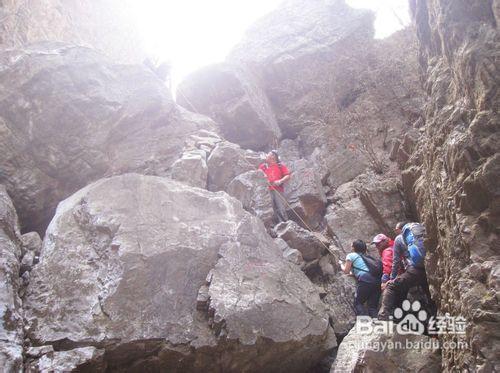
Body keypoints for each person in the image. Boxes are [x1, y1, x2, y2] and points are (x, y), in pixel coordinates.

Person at [378, 223, 434, 320]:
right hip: (429, 268)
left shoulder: (399, 239)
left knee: (391, 287)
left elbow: (396, 261)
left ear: (400, 229)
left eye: (396, 229)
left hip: (414, 270)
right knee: (431, 298)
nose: (395, 231)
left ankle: (383, 317)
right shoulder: (420, 233)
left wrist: (392, 279)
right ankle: (435, 330)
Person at [341, 239, 381, 318]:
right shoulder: (367, 257)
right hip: (377, 281)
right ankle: (378, 325)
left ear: (353, 248)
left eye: (352, 245)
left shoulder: (351, 255)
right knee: (372, 307)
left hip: (365, 280)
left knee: (358, 303)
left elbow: (346, 271)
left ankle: (364, 324)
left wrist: (341, 265)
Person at [258, 150, 291, 223]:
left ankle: (284, 224)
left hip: (278, 189)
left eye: (268, 154)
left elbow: (287, 175)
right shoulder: (263, 166)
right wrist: (263, 175)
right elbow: (257, 175)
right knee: (270, 208)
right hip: (266, 190)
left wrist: (280, 181)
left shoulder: (280, 166)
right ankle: (274, 226)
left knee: (280, 207)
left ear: (273, 156)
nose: (266, 156)